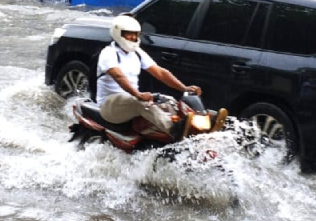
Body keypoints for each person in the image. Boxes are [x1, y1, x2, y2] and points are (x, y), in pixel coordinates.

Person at [96, 14, 225, 135]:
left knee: (170, 102)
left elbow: (160, 72)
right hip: (109, 106)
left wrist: (184, 88)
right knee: (144, 104)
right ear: (118, 33)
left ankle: (207, 123)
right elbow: (119, 77)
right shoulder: (109, 53)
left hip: (131, 100)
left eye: (135, 34)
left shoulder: (137, 53)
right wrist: (138, 94)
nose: (133, 38)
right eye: (129, 34)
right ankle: (174, 131)